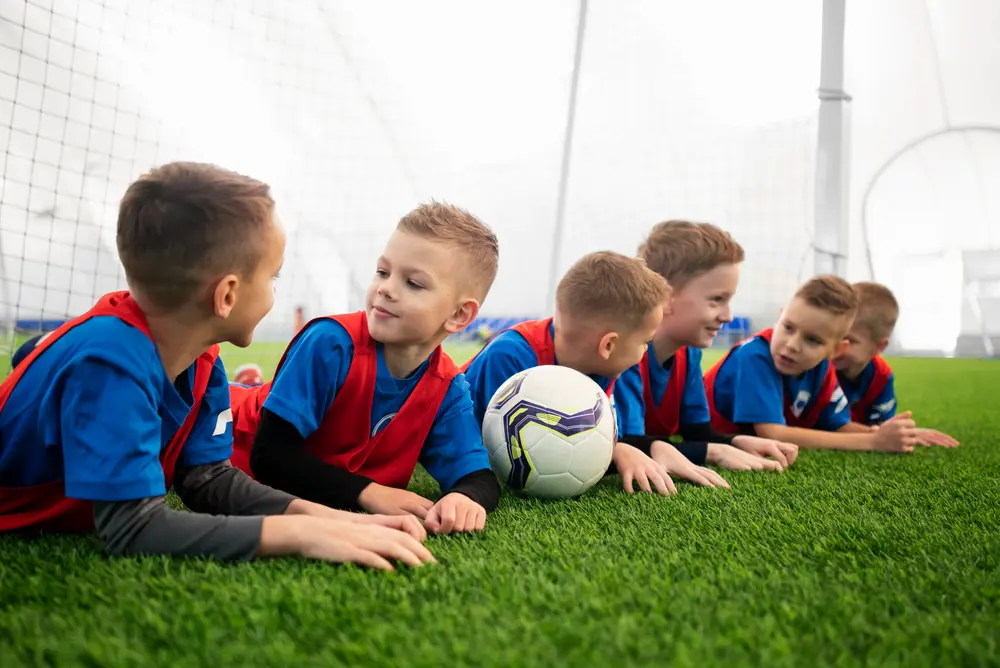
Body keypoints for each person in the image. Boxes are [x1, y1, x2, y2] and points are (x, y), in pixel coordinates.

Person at [0, 162, 433, 571]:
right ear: (226, 296)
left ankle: (42, 355)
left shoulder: (202, 356)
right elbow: (130, 527)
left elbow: (206, 479)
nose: (274, 293)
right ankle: (43, 356)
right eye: (273, 278)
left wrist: (329, 517)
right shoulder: (110, 364)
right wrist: (299, 534)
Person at [231, 202, 501, 535]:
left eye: (413, 283)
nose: (385, 288)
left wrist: (463, 497)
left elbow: (478, 477)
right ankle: (245, 384)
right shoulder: (331, 343)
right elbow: (270, 457)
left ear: (460, 315)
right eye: (383, 272)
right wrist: (367, 492)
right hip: (219, 430)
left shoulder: (447, 387)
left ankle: (254, 382)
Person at [463, 251, 728, 496]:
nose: (645, 352)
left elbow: (597, 437)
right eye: (644, 342)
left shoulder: (603, 367)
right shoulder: (510, 356)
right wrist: (617, 452)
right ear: (608, 345)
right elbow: (503, 451)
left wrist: (632, 448)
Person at [614, 220, 799, 476]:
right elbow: (631, 446)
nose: (727, 315)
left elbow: (697, 432)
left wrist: (736, 442)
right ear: (665, 297)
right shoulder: (626, 354)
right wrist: (714, 452)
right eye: (717, 300)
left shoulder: (688, 353)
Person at [704, 275, 919, 453]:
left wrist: (895, 435)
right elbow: (772, 433)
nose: (792, 345)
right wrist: (872, 442)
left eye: (812, 340)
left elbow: (838, 425)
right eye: (788, 327)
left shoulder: (822, 368)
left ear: (835, 351)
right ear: (779, 317)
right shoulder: (754, 357)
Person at [833, 281, 958, 447]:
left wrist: (900, 434)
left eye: (848, 340)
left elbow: (881, 427)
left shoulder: (881, 376)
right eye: (832, 335)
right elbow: (823, 425)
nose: (835, 346)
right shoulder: (820, 365)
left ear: (879, 346)